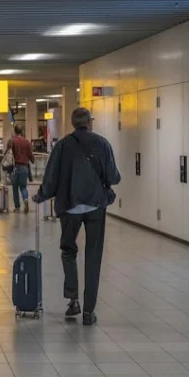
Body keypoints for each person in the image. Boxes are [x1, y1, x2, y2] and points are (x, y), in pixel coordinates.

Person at [34, 107, 120, 325]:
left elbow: (51, 176)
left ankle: (73, 300)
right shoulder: (102, 144)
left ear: (73, 123)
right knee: (93, 256)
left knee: (68, 251)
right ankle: (89, 312)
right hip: (95, 207)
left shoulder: (62, 146)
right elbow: (113, 176)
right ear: (89, 122)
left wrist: (42, 195)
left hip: (69, 207)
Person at [5, 125, 35, 213]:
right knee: (23, 187)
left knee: (15, 188)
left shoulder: (12, 141)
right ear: (22, 131)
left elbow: (7, 153)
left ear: (15, 131)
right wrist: (32, 160)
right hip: (25, 167)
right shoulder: (27, 142)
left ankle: (17, 207)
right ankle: (25, 200)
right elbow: (31, 155)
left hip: (15, 167)